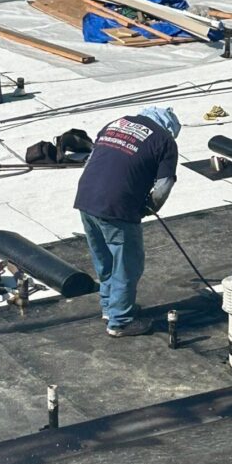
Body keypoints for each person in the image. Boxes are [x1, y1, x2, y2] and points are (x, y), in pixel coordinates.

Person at [75, 105, 181, 338]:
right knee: (127, 263)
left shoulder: (116, 123)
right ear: (170, 127)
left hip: (86, 198)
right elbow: (163, 185)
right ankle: (120, 321)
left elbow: (92, 160)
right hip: (117, 205)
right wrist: (148, 207)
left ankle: (110, 308)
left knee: (104, 259)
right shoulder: (164, 140)